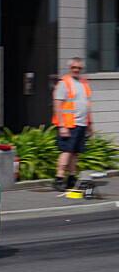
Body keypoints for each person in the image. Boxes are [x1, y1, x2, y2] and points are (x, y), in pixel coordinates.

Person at [52, 57, 92, 191]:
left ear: (81, 69)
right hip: (69, 124)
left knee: (75, 153)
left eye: (79, 68)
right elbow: (57, 105)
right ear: (69, 68)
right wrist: (62, 126)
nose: (76, 70)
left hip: (81, 123)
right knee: (66, 151)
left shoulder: (83, 83)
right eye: (74, 67)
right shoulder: (64, 83)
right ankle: (58, 179)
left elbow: (87, 105)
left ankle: (71, 179)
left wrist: (89, 126)